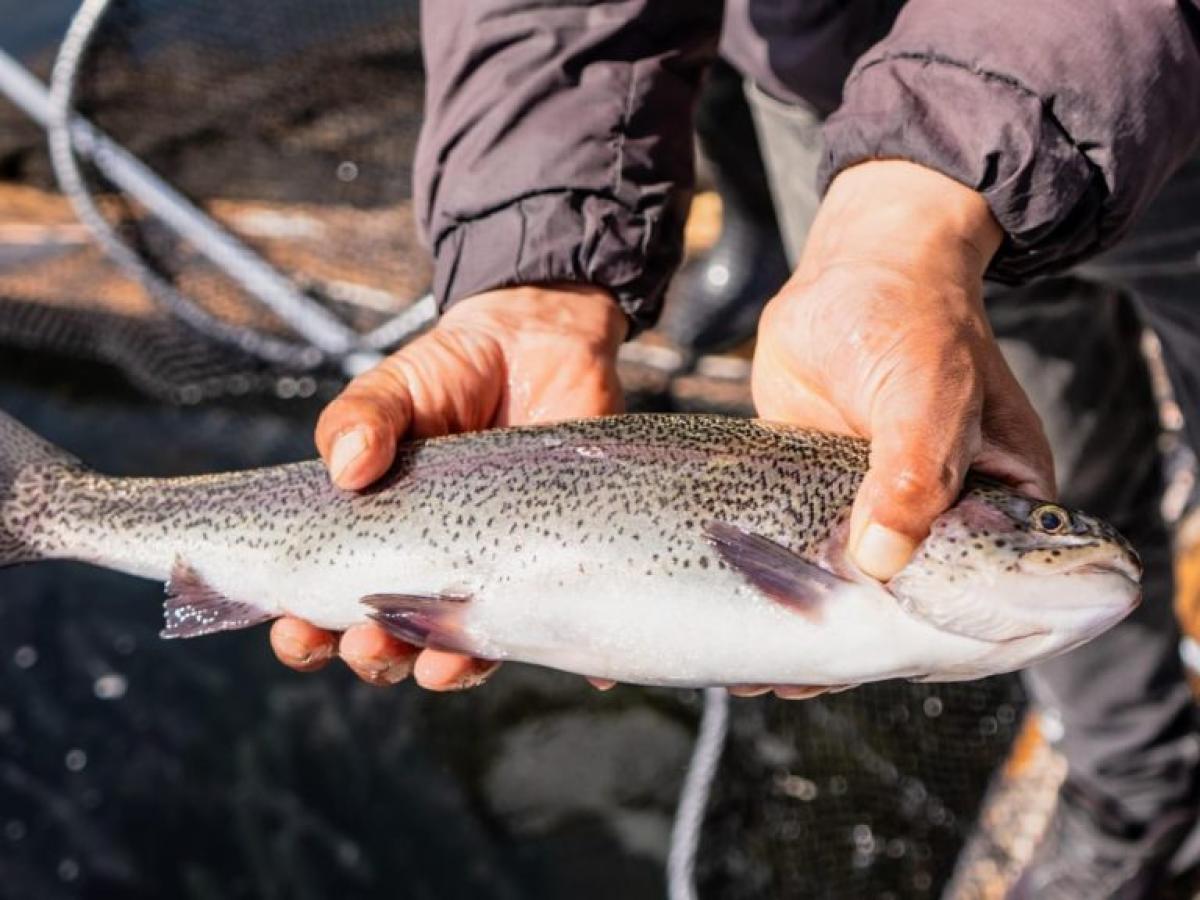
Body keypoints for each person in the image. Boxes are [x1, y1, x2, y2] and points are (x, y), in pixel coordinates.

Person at [265, 2, 1200, 895]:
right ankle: (1137, 790)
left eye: (1037, 529)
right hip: (841, 115)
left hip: (1159, 68)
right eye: (1036, 528)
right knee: (1055, 452)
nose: (1046, 535)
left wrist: (911, 209)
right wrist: (536, 258)